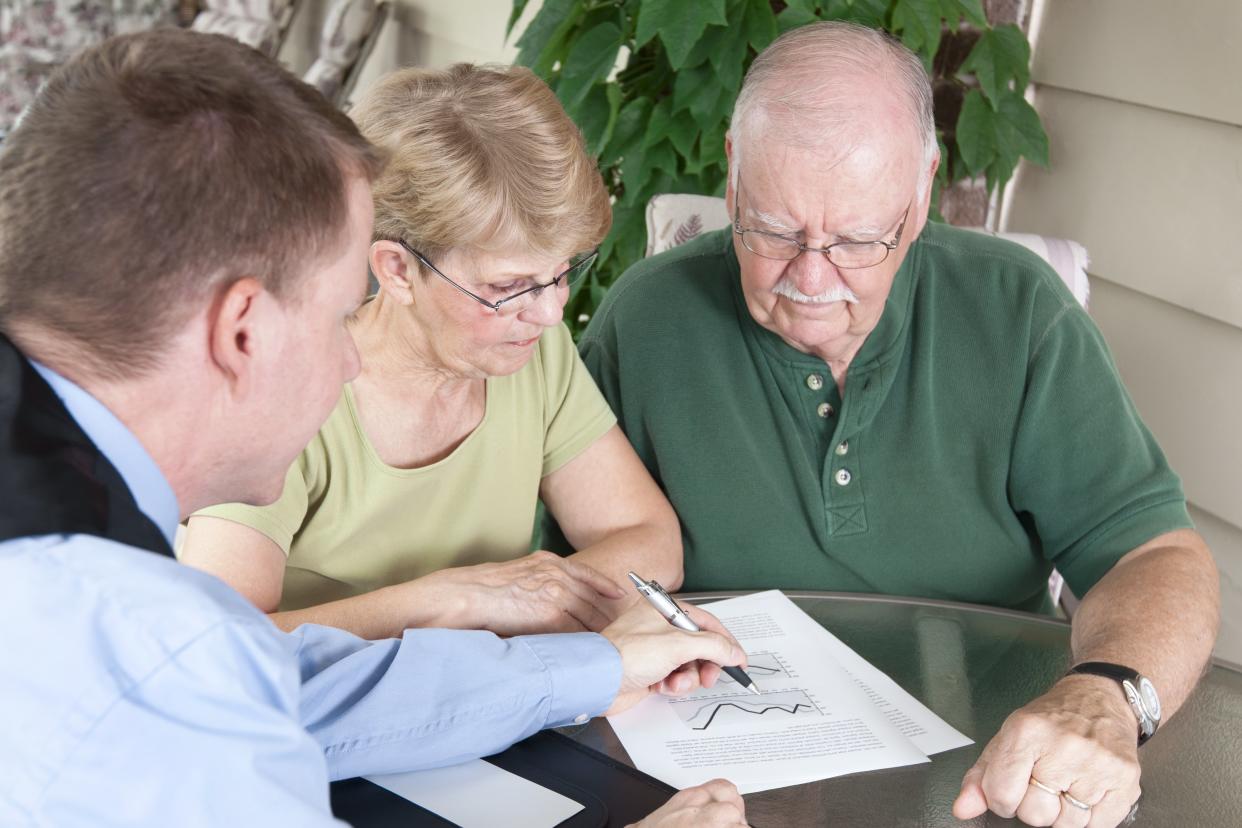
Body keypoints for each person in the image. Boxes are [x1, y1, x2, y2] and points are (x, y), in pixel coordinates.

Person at [0, 30, 747, 827]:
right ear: (242, 329)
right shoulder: (136, 638)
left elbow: (278, 679)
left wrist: (588, 669)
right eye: (332, 318)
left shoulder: (121, 589)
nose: (347, 365)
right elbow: (208, 679)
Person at [552, 20, 1220, 828]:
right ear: (731, 175)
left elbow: (1155, 554)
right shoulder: (645, 319)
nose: (810, 277)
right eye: (772, 230)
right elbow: (568, 586)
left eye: (857, 240)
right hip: (722, 784)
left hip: (986, 777)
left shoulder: (1017, 311)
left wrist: (1108, 694)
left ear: (922, 190)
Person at [179, 63, 682, 641]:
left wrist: (527, 599)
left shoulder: (533, 353)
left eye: (562, 272)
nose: (549, 312)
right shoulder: (284, 397)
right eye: (507, 286)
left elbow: (652, 539)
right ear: (396, 269)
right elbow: (215, 644)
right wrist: (448, 603)